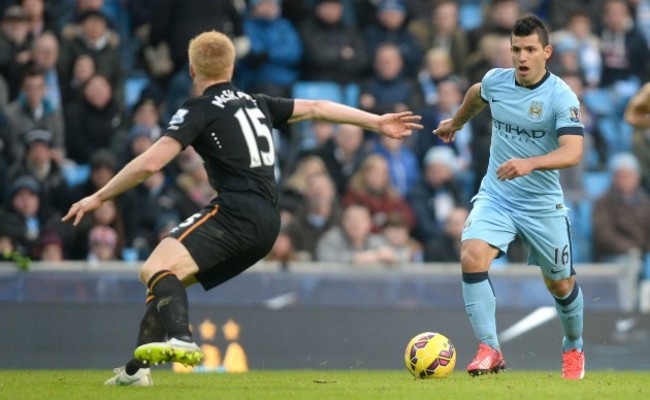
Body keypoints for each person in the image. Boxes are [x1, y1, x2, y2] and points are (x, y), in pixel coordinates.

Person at [61, 30, 422, 386]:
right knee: (165, 281)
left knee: (154, 267)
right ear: (232, 68)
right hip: (268, 222)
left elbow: (149, 164)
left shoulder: (198, 109)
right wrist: (375, 121)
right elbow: (317, 108)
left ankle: (182, 338)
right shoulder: (257, 101)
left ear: (191, 69)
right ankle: (136, 370)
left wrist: (99, 197)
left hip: (236, 211)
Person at [433, 15, 586, 379]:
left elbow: (573, 151)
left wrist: (531, 163)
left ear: (546, 52)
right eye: (516, 49)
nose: (522, 57)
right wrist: (457, 123)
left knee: (560, 283)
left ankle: (574, 345)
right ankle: (490, 348)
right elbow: (475, 94)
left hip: (541, 204)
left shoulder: (560, 96)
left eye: (531, 49)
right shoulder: (496, 82)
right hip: (497, 196)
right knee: (471, 254)